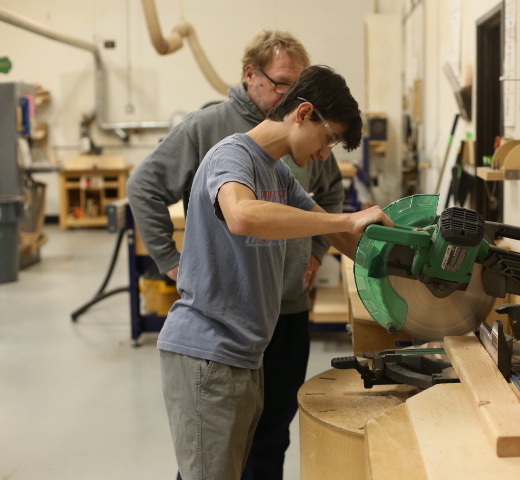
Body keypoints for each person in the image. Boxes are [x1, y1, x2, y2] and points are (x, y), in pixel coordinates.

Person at [158, 65, 394, 480]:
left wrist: (407, 262)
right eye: (328, 139)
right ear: (303, 113)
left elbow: (337, 233)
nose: (325, 154)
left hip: (245, 354)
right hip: (208, 353)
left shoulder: (276, 172)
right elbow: (243, 216)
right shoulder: (232, 155)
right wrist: (345, 221)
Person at [126, 31, 344, 480]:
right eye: (284, 82)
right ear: (250, 75)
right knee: (212, 456)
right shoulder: (216, 135)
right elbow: (148, 186)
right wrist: (172, 260)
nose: (293, 94)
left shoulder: (288, 156)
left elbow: (329, 202)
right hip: (221, 325)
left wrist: (322, 250)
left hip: (278, 314)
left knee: (268, 438)